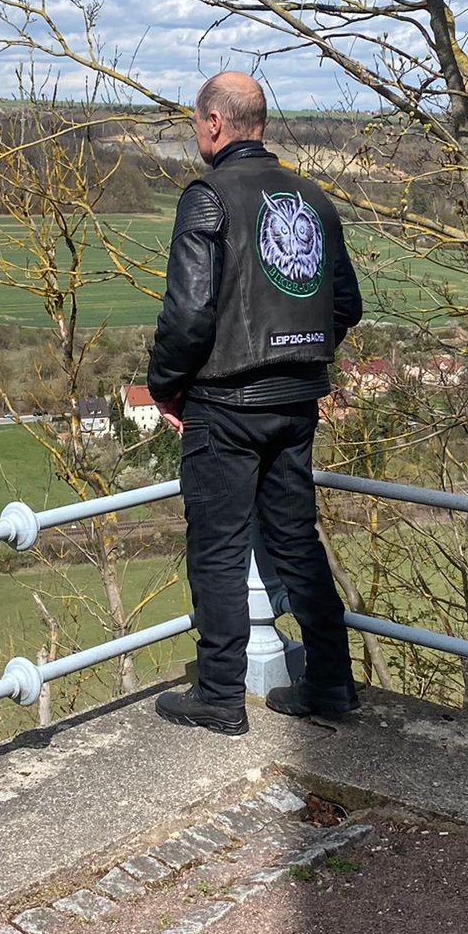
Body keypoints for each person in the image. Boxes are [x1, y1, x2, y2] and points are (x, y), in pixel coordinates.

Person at [147, 71, 363, 735]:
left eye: (196, 123)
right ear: (260, 123)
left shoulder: (207, 198)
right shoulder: (312, 198)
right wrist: (301, 358)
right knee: (296, 539)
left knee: (216, 546)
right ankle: (330, 682)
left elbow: (189, 314)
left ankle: (219, 694)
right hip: (297, 402)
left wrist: (166, 385)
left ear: (214, 123)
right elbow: (346, 304)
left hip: (224, 403)